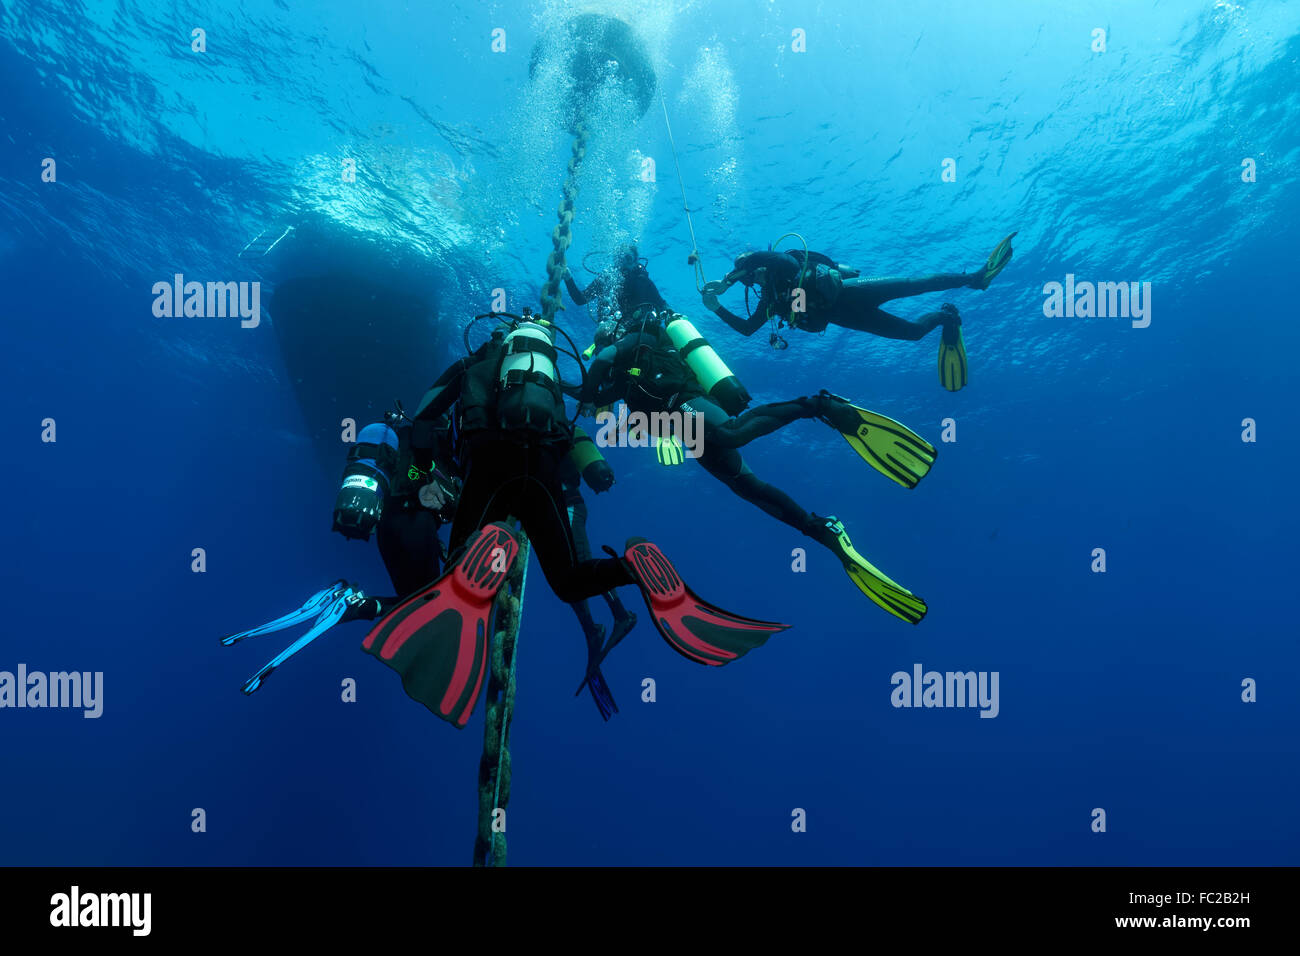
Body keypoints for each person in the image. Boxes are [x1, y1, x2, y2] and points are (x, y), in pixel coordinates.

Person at [362, 311, 788, 728]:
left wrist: (419, 476)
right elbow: (575, 430)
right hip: (544, 472)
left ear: (492, 342)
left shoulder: (472, 366)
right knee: (569, 580)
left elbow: (423, 419)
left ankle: (486, 544)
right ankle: (632, 567)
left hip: (491, 465)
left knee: (459, 558)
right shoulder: (547, 384)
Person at [577, 312, 932, 626]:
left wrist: (591, 390)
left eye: (601, 341)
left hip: (687, 402)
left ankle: (817, 404)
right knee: (747, 487)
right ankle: (818, 529)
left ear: (611, 335)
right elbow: (601, 402)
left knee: (731, 435)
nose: (601, 348)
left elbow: (599, 369)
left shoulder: (637, 340)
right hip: (686, 430)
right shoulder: (624, 375)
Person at [701, 234, 1016, 391]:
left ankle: (975, 279)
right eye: (748, 274)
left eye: (751, 269)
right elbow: (746, 329)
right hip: (844, 316)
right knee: (911, 334)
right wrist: (716, 308)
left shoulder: (783, 263)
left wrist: (731, 278)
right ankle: (946, 316)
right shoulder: (770, 300)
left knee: (915, 284)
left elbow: (781, 263)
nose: (752, 275)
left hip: (852, 290)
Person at [564, 243, 667, 324]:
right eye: (619, 257)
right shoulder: (606, 280)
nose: (623, 263)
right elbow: (580, 299)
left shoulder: (643, 282)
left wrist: (673, 316)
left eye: (628, 258)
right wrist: (568, 278)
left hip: (641, 335)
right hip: (611, 336)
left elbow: (663, 306)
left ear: (635, 262)